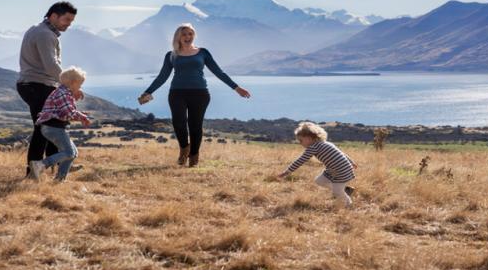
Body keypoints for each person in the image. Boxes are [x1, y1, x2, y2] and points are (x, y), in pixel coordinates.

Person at [138, 23, 250, 167]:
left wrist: (236, 88)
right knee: (178, 123)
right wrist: (148, 91)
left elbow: (218, 72)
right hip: (177, 93)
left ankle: (194, 157)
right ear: (178, 37)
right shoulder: (171, 55)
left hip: (200, 94)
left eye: (190, 34)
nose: (187, 37)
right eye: (184, 34)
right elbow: (162, 77)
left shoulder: (203, 52)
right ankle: (184, 149)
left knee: (195, 126)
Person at [17, 1, 79, 178]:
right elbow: (51, 66)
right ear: (53, 16)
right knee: (44, 128)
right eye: (66, 19)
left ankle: (59, 163)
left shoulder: (38, 30)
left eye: (71, 20)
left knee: (51, 125)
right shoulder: (45, 35)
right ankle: (32, 172)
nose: (69, 24)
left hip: (33, 84)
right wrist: (71, 85)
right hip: (38, 85)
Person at [30, 66, 91, 182]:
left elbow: (66, 112)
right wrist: (82, 117)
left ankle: (59, 179)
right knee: (69, 152)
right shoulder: (63, 94)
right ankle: (41, 165)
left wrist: (80, 114)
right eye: (80, 85)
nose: (80, 88)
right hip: (53, 127)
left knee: (73, 153)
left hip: (53, 127)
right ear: (73, 83)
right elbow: (68, 113)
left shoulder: (64, 92)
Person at [277, 121, 357, 207]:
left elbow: (300, 161)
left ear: (310, 137)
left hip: (341, 171)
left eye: (301, 140)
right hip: (335, 169)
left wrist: (287, 172)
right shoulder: (325, 143)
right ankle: (344, 189)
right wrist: (351, 162)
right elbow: (342, 153)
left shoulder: (313, 147)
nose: (300, 143)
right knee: (319, 180)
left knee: (337, 191)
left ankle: (348, 204)